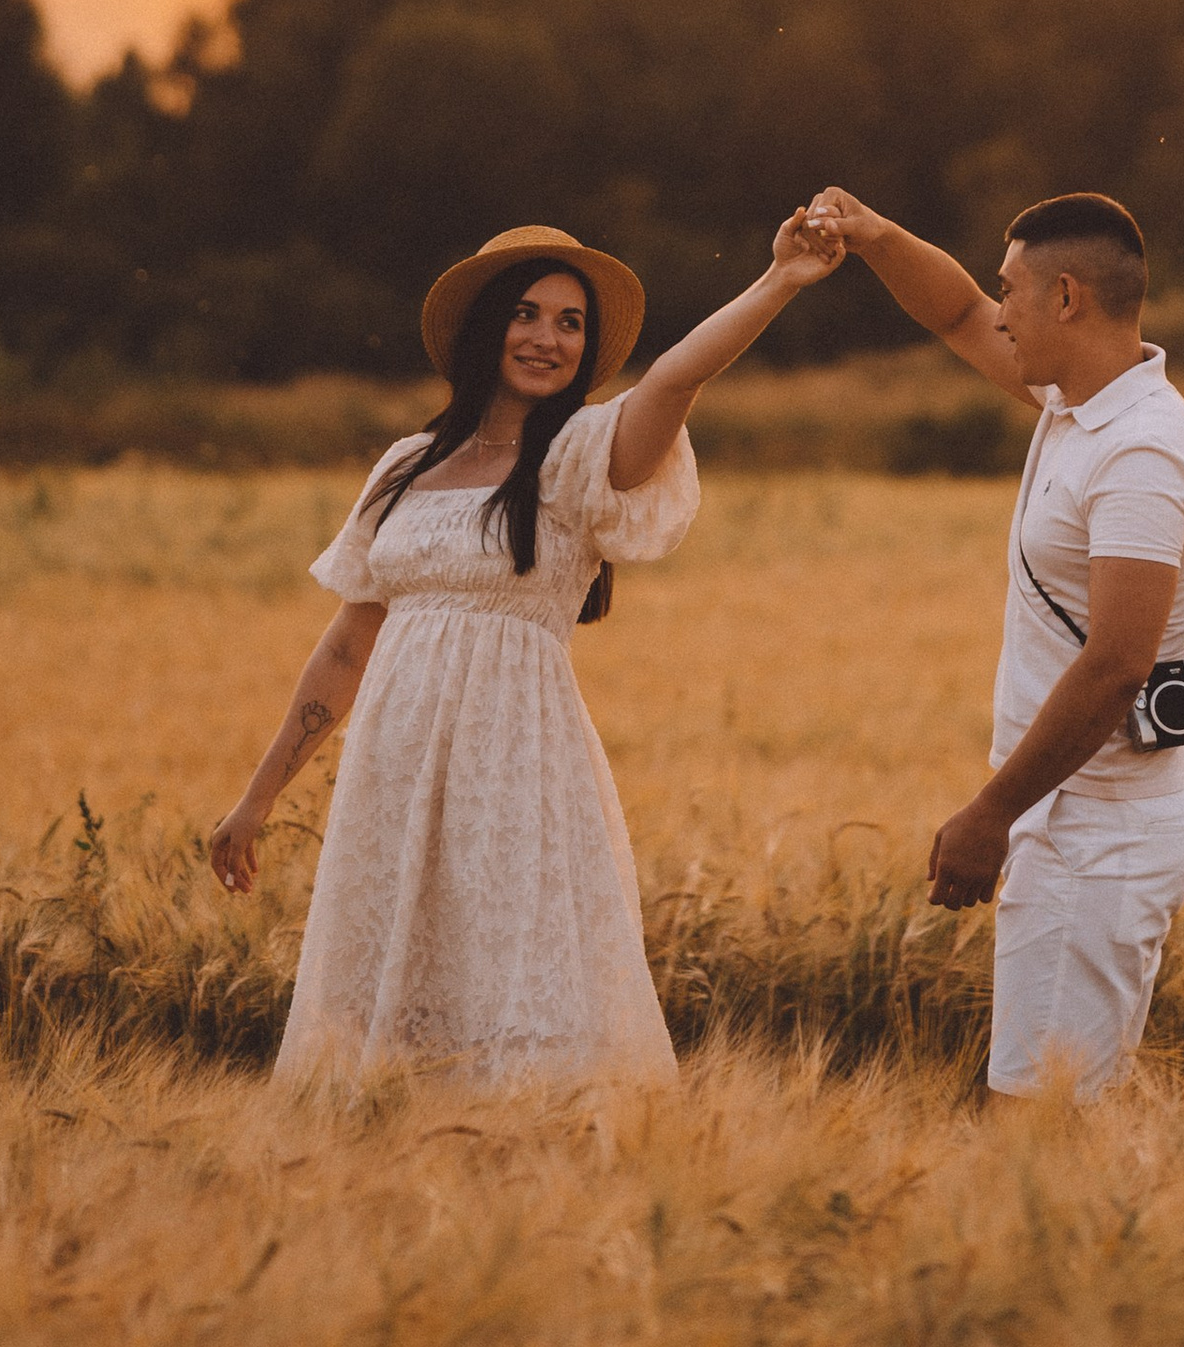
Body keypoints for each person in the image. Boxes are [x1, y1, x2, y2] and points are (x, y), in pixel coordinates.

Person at [209, 209, 842, 1083]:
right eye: (527, 313)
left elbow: (674, 381)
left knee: (519, 1001)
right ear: (486, 325)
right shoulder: (403, 466)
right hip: (391, 774)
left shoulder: (581, 454)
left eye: (571, 323)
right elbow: (349, 647)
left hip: (516, 772)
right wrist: (258, 798)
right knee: (386, 1021)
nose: (549, 338)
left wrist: (779, 281)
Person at [805, 184, 1184, 1100]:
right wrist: (873, 235)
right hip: (1072, 814)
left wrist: (989, 814)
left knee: (1039, 1121)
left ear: (1066, 297)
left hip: (1102, 830)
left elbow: (1117, 665)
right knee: (1049, 1113)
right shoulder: (1077, 405)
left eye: (1014, 291)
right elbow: (953, 310)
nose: (999, 311)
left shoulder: (1140, 453)